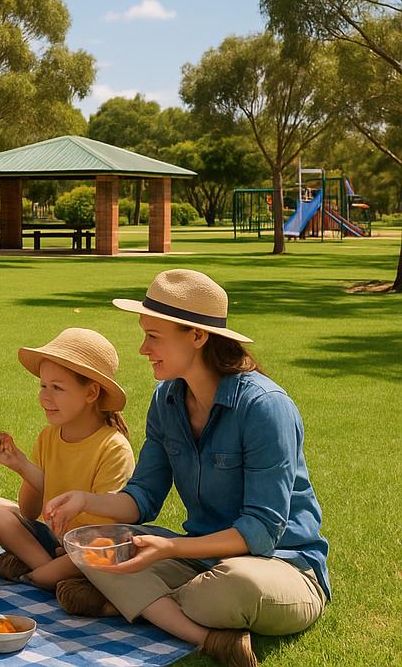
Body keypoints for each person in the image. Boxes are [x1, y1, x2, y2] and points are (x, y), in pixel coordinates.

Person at [44, 269, 329, 667]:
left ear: (197, 336)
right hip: (201, 561)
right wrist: (86, 500)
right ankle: (185, 622)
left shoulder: (265, 407)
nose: (143, 349)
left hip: (280, 567)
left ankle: (128, 603)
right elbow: (143, 498)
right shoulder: (167, 401)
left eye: (154, 336)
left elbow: (262, 531)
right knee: (101, 545)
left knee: (233, 586)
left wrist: (170, 548)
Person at [0, 327, 135, 606]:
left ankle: (37, 576)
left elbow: (110, 530)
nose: (44, 397)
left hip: (92, 546)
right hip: (55, 540)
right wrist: (20, 465)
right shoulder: (49, 436)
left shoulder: (113, 447)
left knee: (97, 553)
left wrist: (71, 550)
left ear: (91, 393)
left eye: (57, 388)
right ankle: (47, 573)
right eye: (43, 386)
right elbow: (29, 511)